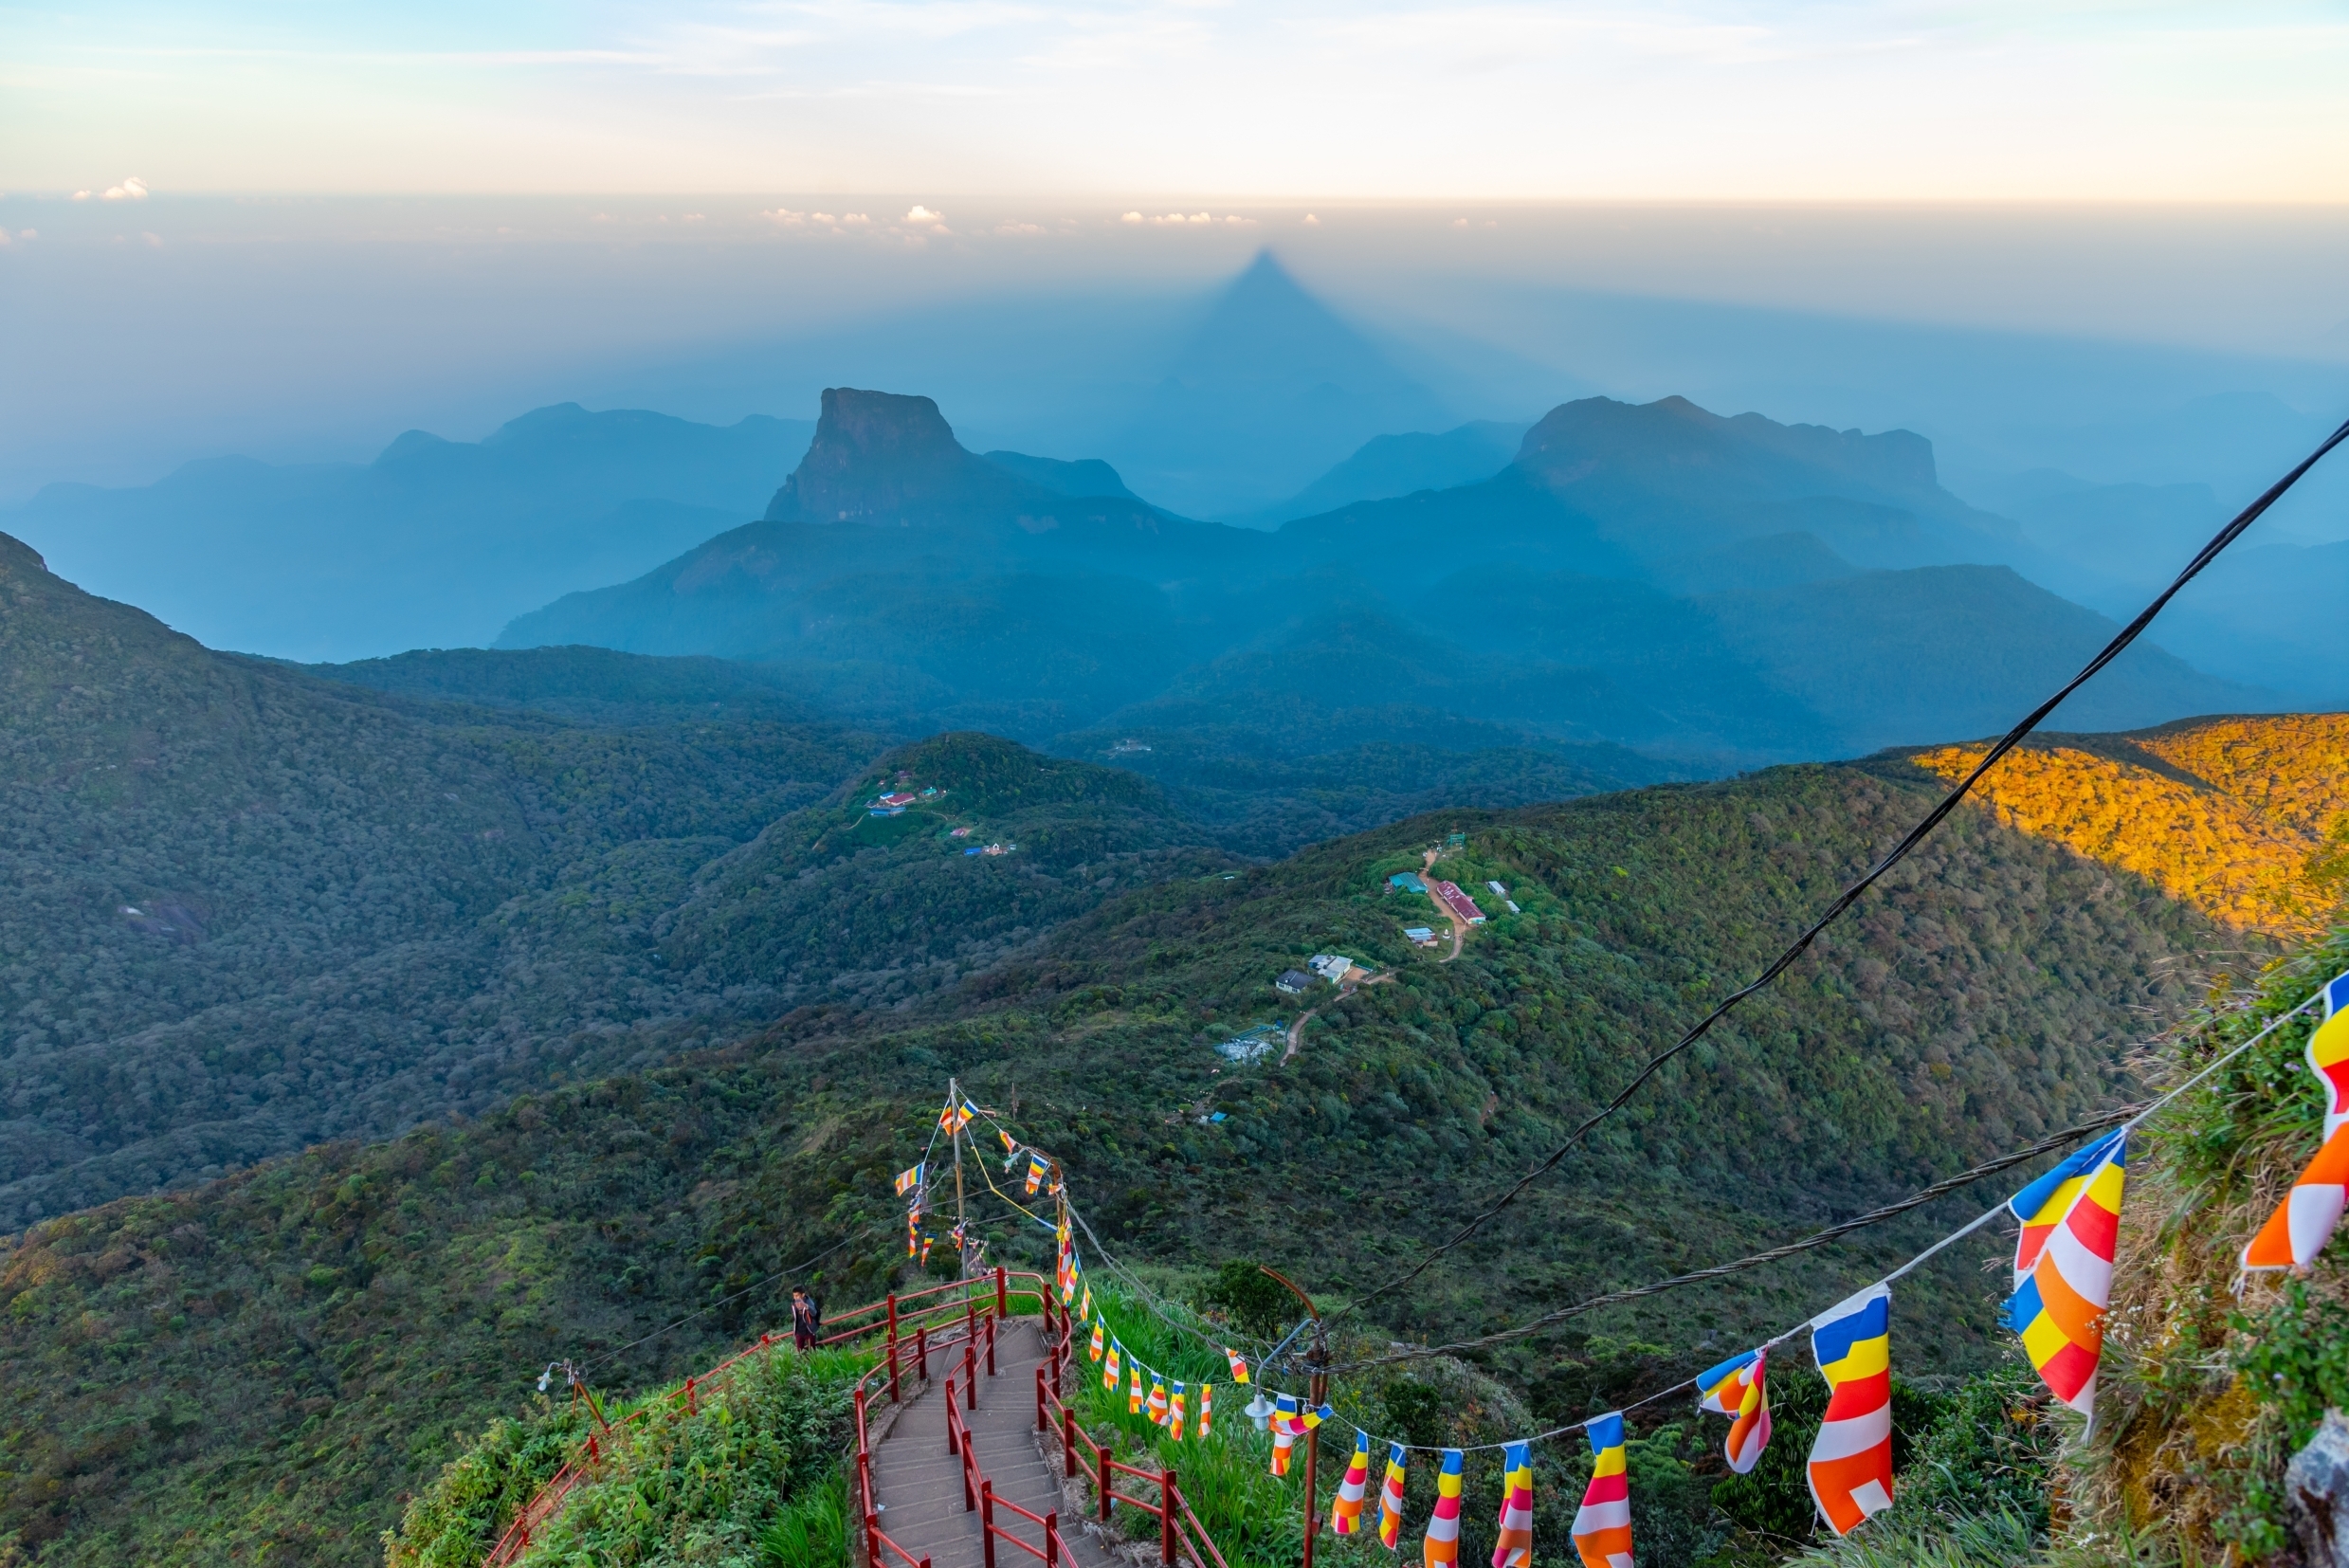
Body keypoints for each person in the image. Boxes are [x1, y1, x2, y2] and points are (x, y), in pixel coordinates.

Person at [791, 1285, 821, 1351]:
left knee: (812, 1352)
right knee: (799, 1352)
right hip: (799, 1332)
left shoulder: (808, 1302)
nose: (795, 1298)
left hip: (809, 1331)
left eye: (797, 1295)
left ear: (803, 1294)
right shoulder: (793, 1303)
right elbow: (795, 1318)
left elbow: (814, 1313)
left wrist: (805, 1306)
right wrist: (795, 1331)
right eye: (794, 1296)